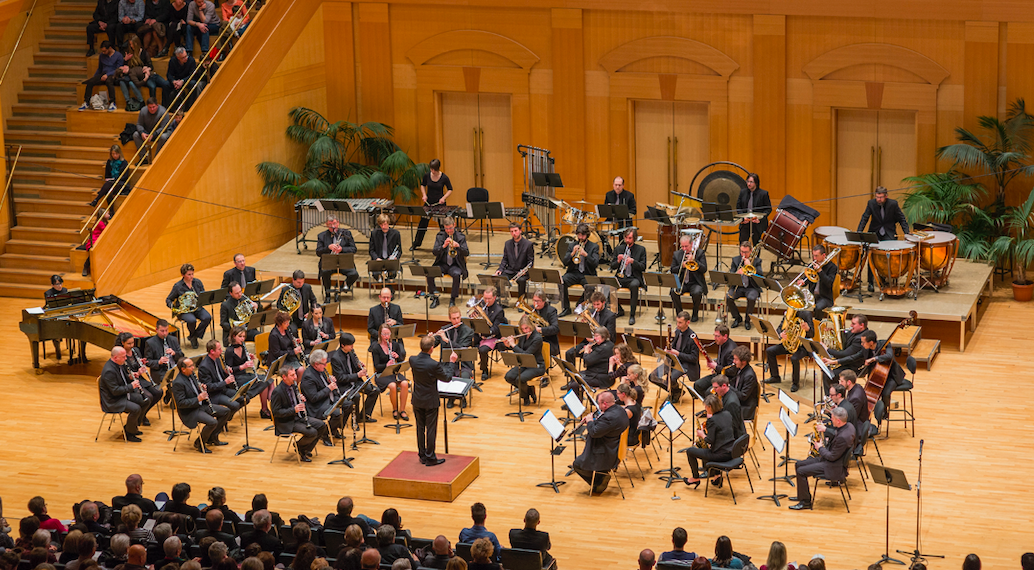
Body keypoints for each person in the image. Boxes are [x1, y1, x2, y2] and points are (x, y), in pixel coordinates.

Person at [789, 407, 856, 510]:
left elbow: (831, 457)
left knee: (801, 471)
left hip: (833, 466)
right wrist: (826, 430)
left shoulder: (843, 438)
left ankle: (805, 502)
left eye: (832, 418)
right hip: (832, 460)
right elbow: (837, 433)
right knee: (798, 464)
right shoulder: (849, 426)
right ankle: (802, 495)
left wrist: (820, 448)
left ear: (838, 421)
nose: (831, 420)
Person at [572, 391, 629, 493]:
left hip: (606, 453)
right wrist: (594, 420)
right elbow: (606, 427)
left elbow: (594, 432)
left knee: (578, 464)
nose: (598, 406)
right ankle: (600, 475)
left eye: (599, 403)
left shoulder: (609, 417)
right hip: (615, 446)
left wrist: (590, 421)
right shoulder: (620, 410)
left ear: (605, 404)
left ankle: (599, 481)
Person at [171, 357, 230, 452]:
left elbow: (193, 390)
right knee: (212, 422)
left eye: (193, 365)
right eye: (190, 366)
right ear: (183, 369)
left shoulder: (191, 375)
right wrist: (198, 398)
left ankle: (212, 437)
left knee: (225, 412)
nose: (193, 368)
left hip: (200, 405)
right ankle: (199, 443)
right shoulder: (178, 383)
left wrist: (201, 389)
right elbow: (181, 403)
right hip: (190, 411)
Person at [858, 186, 910, 292]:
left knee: (888, 257)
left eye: (881, 197)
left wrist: (907, 234)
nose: (879, 199)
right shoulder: (871, 203)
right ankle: (870, 282)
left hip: (888, 233)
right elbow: (865, 218)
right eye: (877, 197)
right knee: (871, 256)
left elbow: (902, 219)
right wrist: (859, 232)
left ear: (886, 196)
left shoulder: (893, 204)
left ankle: (886, 279)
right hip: (875, 233)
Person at [270, 366, 328, 462]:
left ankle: (304, 449)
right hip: (287, 422)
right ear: (284, 377)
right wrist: (294, 410)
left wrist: (299, 399)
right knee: (312, 432)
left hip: (298, 417)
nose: (295, 377)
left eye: (295, 374)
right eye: (292, 375)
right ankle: (301, 448)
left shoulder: (293, 385)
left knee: (322, 425)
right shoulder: (277, 392)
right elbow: (276, 412)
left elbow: (293, 401)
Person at [410, 334, 450, 466]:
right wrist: (452, 363)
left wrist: (427, 339)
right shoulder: (434, 364)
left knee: (420, 428)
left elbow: (420, 354)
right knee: (431, 429)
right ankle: (430, 457)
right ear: (432, 348)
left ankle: (422, 455)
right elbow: (447, 378)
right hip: (430, 401)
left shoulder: (412, 360)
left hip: (417, 399)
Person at [683, 395, 735, 489]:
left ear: (710, 407)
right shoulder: (727, 414)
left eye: (706, 407)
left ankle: (695, 478)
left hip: (721, 455)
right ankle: (717, 476)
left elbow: (709, 440)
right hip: (732, 451)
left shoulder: (712, 420)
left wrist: (702, 434)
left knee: (690, 451)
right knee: (710, 449)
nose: (705, 409)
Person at [328, 333, 380, 423]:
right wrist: (357, 375)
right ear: (343, 345)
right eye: (350, 345)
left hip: (355, 382)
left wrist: (359, 366)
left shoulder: (351, 352)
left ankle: (364, 415)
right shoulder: (335, 358)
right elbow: (340, 378)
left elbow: (353, 367)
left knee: (375, 390)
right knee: (356, 396)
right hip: (344, 385)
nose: (352, 347)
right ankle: (356, 420)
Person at [100, 346, 149, 442]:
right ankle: (129, 433)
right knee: (136, 409)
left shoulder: (118, 364)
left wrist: (130, 376)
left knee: (145, 401)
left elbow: (122, 377)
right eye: (123, 357)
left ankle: (130, 427)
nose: (126, 358)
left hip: (121, 395)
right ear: (115, 358)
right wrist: (131, 386)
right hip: (113, 400)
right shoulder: (109, 371)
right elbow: (115, 391)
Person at [649, 311, 698, 401]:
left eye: (680, 323)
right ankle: (676, 391)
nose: (678, 325)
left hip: (686, 364)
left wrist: (677, 353)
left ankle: (673, 391)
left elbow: (694, 358)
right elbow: (674, 346)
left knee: (671, 378)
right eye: (677, 322)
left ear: (687, 322)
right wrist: (667, 350)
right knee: (652, 376)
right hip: (673, 360)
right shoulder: (677, 331)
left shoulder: (693, 337)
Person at [116, 332, 162, 426]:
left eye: (132, 343)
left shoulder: (135, 350)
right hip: (130, 382)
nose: (131, 345)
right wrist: (138, 372)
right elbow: (123, 373)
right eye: (129, 343)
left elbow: (136, 365)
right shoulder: (120, 354)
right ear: (122, 343)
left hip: (140, 379)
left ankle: (142, 414)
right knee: (148, 397)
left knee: (158, 392)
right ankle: (140, 417)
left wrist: (141, 363)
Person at [301, 349, 346, 444]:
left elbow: (322, 384)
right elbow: (314, 398)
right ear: (316, 364)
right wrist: (329, 388)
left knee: (347, 404)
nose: (326, 366)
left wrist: (329, 381)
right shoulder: (308, 377)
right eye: (324, 364)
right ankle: (324, 434)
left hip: (326, 399)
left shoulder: (320, 370)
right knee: (338, 413)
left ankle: (333, 430)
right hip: (316, 406)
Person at [765, 308, 814, 393]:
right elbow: (779, 329)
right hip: (789, 344)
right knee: (769, 351)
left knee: (794, 358)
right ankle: (775, 377)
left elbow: (812, 334)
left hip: (802, 346)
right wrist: (781, 334)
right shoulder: (789, 313)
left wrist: (807, 329)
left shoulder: (806, 314)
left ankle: (795, 383)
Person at [225, 325, 272, 415]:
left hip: (244, 375)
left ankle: (267, 407)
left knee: (267, 379)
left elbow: (243, 361)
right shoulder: (229, 351)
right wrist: (242, 366)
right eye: (240, 336)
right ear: (234, 336)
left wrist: (248, 358)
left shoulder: (243, 347)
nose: (242, 339)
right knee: (263, 382)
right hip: (236, 379)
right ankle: (265, 409)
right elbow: (228, 370)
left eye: (244, 336)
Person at [563, 290, 616, 366]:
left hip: (602, 345)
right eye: (594, 304)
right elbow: (585, 331)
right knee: (569, 353)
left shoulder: (610, 316)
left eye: (598, 304)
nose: (596, 307)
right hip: (588, 343)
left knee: (591, 359)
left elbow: (610, 335)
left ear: (603, 303)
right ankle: (571, 373)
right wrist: (584, 326)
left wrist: (594, 339)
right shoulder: (590, 313)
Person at [558, 223, 600, 317]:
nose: (580, 237)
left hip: (587, 273)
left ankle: (580, 304)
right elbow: (564, 262)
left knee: (590, 286)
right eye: (579, 235)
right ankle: (566, 308)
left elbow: (595, 264)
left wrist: (586, 255)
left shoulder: (594, 246)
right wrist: (572, 253)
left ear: (587, 235)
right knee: (561, 281)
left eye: (583, 235)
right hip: (574, 272)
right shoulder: (572, 245)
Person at [434, 305, 475, 400]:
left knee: (464, 376)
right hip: (447, 363)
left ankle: (462, 398)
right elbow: (433, 344)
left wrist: (446, 340)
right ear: (449, 318)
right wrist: (430, 339)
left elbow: (460, 348)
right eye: (454, 319)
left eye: (458, 318)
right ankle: (450, 398)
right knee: (445, 375)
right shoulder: (444, 329)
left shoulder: (468, 331)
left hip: (463, 364)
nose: (456, 321)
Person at [197, 340, 242, 424]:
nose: (221, 351)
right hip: (214, 394)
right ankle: (222, 420)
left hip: (222, 389)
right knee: (235, 405)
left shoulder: (217, 359)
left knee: (243, 398)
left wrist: (226, 372)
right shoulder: (204, 366)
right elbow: (209, 387)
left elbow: (219, 376)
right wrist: (225, 382)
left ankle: (224, 419)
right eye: (219, 349)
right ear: (212, 351)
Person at [166, 263, 211, 348]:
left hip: (197, 308)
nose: (191, 276)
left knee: (207, 317)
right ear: (183, 275)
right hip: (184, 311)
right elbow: (168, 299)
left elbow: (203, 295)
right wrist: (174, 308)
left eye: (192, 274)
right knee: (192, 320)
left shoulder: (197, 282)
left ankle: (194, 336)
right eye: (189, 275)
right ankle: (193, 337)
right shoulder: (178, 286)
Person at [820, 314, 869, 392]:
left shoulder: (861, 338)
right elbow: (843, 337)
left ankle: (832, 396)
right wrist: (832, 332)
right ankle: (836, 394)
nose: (851, 325)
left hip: (854, 367)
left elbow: (845, 354)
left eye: (853, 324)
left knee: (828, 374)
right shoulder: (854, 332)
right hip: (846, 363)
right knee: (826, 370)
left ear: (861, 325)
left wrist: (827, 349)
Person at [501, 316, 544, 406]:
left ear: (531, 326)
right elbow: (519, 351)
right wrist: (509, 345)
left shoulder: (537, 338)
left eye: (526, 328)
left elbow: (526, 354)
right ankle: (529, 390)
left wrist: (513, 345)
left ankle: (525, 397)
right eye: (523, 329)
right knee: (509, 377)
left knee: (520, 379)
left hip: (536, 365)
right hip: (524, 363)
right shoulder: (523, 336)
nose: (525, 331)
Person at [412, 159, 453, 250]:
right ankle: (416, 243)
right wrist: (424, 195)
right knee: (422, 224)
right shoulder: (427, 175)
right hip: (429, 203)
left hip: (440, 204)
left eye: (434, 169)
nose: (432, 171)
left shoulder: (444, 177)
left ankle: (446, 244)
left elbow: (450, 189)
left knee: (442, 225)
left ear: (438, 168)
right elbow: (423, 185)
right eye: (431, 169)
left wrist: (443, 198)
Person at [427, 217, 468, 309]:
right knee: (429, 273)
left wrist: (458, 246)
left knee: (456, 274)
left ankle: (452, 299)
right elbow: (434, 252)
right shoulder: (440, 236)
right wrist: (443, 246)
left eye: (450, 228)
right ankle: (435, 297)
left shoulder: (461, 237)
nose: (449, 231)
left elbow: (466, 252)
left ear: (454, 225)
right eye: (446, 228)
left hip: (455, 264)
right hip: (442, 263)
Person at [316, 216, 360, 302]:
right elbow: (318, 252)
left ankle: (340, 289)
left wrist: (342, 249)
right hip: (329, 264)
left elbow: (353, 249)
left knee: (354, 274)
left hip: (344, 263)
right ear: (326, 224)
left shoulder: (346, 234)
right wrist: (328, 248)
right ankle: (327, 294)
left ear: (338, 223)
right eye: (330, 224)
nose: (333, 226)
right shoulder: (322, 236)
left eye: (334, 223)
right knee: (324, 272)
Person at [372, 324, 409, 422]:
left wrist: (397, 357)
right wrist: (386, 365)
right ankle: (395, 409)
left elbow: (401, 361)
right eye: (384, 334)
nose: (386, 336)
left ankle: (402, 410)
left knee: (405, 383)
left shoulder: (395, 345)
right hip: (382, 374)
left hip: (393, 372)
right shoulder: (376, 348)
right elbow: (377, 366)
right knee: (393, 386)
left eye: (388, 334)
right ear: (380, 334)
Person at [610, 227, 646, 324]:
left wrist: (633, 261)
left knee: (634, 286)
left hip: (634, 277)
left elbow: (643, 267)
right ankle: (619, 310)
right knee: (608, 285)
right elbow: (612, 266)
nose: (627, 240)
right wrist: (618, 261)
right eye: (626, 238)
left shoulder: (641, 250)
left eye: (630, 238)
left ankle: (632, 315)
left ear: (634, 238)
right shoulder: (619, 249)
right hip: (621, 276)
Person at [670, 234, 707, 322]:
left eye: (686, 246)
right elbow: (672, 269)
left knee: (697, 292)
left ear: (692, 244)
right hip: (682, 282)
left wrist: (694, 261)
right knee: (673, 291)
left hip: (695, 282)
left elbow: (704, 269)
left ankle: (695, 313)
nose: (684, 249)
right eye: (682, 246)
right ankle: (680, 314)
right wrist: (682, 266)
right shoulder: (677, 254)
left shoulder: (700, 253)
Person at [473, 287, 507, 381]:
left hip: (492, 337)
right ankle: (466, 367)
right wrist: (474, 317)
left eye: (489, 299)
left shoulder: (499, 311)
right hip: (480, 334)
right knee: (465, 341)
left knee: (483, 350)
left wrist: (486, 332)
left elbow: (496, 328)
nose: (486, 301)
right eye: (485, 298)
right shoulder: (481, 305)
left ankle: (484, 370)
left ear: (494, 298)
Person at [726, 241, 762, 330]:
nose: (743, 254)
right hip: (738, 287)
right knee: (728, 297)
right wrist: (737, 273)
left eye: (746, 252)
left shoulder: (757, 261)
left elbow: (761, 276)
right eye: (741, 251)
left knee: (751, 298)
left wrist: (750, 266)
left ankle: (747, 320)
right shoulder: (735, 260)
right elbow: (730, 275)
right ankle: (737, 318)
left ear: (751, 251)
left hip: (751, 287)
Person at [494, 223, 535, 300]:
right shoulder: (507, 244)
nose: (514, 233)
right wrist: (500, 269)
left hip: (522, 272)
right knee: (499, 278)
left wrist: (525, 271)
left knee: (521, 281)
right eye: (512, 231)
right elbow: (505, 259)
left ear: (520, 231)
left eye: (515, 231)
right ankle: (501, 300)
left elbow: (530, 261)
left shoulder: (528, 244)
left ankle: (520, 301)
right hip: (510, 270)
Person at [80, 41, 123, 112]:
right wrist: (95, 77)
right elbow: (99, 68)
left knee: (109, 81)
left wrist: (107, 75)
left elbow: (119, 69)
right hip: (103, 73)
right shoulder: (102, 56)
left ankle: (112, 102)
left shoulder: (118, 55)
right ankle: (86, 102)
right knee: (90, 82)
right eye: (102, 51)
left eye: (105, 51)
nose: (103, 52)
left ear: (110, 48)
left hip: (113, 74)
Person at [797, 245, 837, 320]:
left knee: (818, 307)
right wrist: (802, 282)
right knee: (796, 302)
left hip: (825, 297)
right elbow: (807, 279)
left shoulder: (832, 267)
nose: (814, 258)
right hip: (811, 295)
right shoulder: (812, 265)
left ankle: (816, 324)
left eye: (816, 256)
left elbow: (829, 283)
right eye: (813, 256)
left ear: (823, 255)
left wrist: (820, 271)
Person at [694, 325, 736, 395]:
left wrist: (716, 367)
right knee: (697, 385)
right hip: (718, 374)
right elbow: (723, 359)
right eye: (714, 335)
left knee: (709, 392)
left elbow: (732, 372)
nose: (715, 338)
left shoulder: (731, 350)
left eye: (717, 336)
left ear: (725, 336)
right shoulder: (721, 343)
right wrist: (715, 363)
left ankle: (714, 400)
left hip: (726, 378)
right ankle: (710, 400)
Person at [144, 318, 184, 391]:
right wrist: (158, 362)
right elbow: (147, 361)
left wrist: (174, 353)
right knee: (175, 384)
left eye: (166, 330)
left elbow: (181, 355)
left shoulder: (173, 339)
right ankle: (171, 393)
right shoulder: (150, 343)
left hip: (175, 368)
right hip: (160, 371)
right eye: (162, 331)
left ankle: (171, 394)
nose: (165, 333)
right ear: (156, 330)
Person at [736, 173, 771, 246]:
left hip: (757, 223)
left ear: (756, 183)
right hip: (745, 223)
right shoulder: (743, 192)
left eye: (751, 182)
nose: (749, 184)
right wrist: (743, 217)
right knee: (743, 244)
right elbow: (738, 207)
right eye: (748, 181)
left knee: (756, 246)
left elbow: (768, 209)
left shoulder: (763, 194)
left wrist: (760, 218)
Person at [577, 327, 614, 393]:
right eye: (594, 336)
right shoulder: (610, 344)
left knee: (576, 381)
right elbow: (599, 356)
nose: (594, 338)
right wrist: (591, 352)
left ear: (603, 336)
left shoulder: (602, 348)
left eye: (597, 336)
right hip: (603, 374)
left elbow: (587, 361)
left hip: (600, 378)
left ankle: (577, 398)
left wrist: (586, 352)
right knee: (575, 375)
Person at [726, 346, 758, 421]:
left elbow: (743, 396)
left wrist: (728, 387)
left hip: (746, 409)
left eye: (736, 359)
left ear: (743, 361)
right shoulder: (740, 369)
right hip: (738, 403)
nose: (733, 361)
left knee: (722, 414)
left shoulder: (749, 376)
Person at [369, 214, 402, 285]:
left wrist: (395, 257)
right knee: (376, 274)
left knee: (392, 273)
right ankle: (384, 286)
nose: (383, 227)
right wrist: (376, 258)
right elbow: (371, 250)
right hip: (379, 260)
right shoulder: (374, 234)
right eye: (381, 225)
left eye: (385, 224)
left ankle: (388, 287)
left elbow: (399, 250)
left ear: (388, 223)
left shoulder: (396, 234)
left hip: (390, 261)